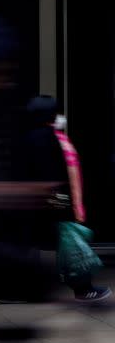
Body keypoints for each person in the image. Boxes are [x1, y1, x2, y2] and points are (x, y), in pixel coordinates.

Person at [23, 95, 111, 302]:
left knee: (29, 245)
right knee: (73, 246)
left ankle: (19, 291)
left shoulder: (31, 137)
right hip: (53, 202)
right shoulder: (48, 138)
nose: (60, 117)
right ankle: (83, 289)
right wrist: (64, 205)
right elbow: (52, 173)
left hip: (38, 202)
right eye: (57, 112)